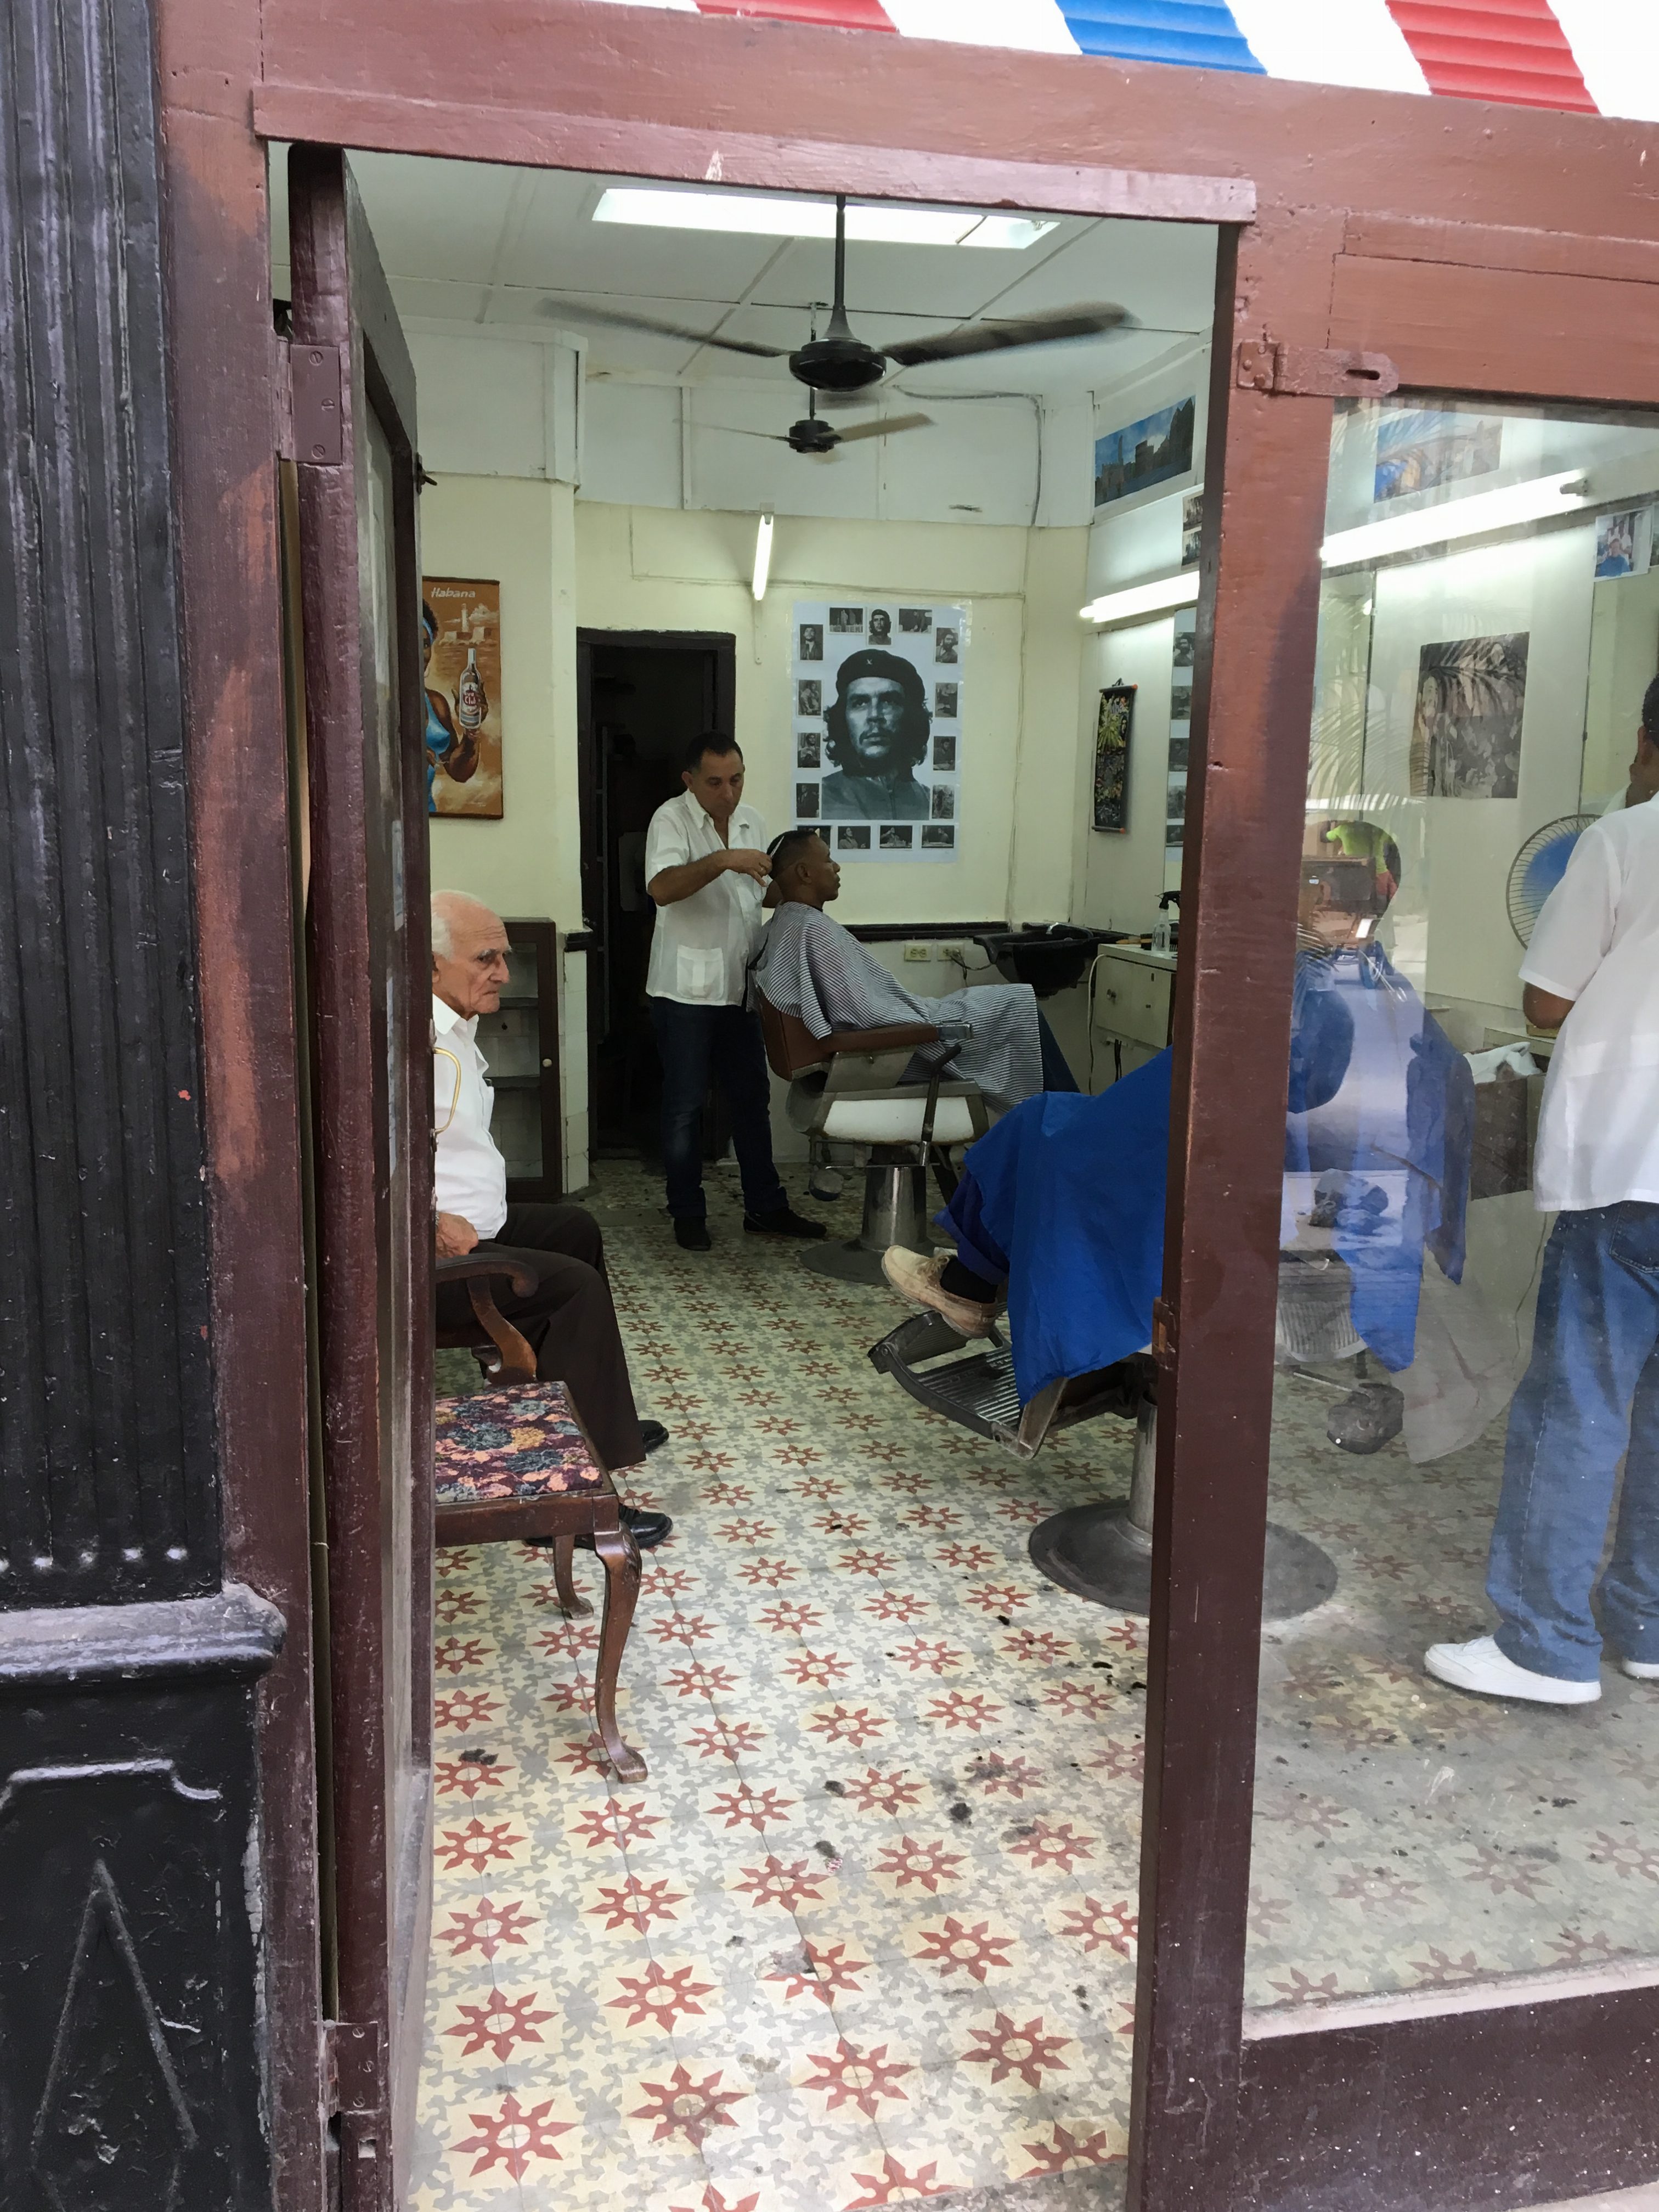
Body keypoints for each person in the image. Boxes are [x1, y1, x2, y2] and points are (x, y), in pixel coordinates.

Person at [883, 820, 1476, 1438]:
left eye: (1300, 877)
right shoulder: (1393, 997)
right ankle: (969, 1287)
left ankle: (967, 1287)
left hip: (1239, 1220)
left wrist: (1088, 1128)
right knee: (1059, 1125)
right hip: (1334, 1224)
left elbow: (1167, 1113)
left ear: (1325, 895)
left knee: (1040, 1127)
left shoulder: (1297, 997)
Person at [1427, 745, 1659, 1706]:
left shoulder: (1622, 838)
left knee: (1578, 1402)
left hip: (1630, 1168)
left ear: (1648, 744)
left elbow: (1544, 999)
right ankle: (1645, 1623)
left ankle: (1543, 1642)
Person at [431, 891, 672, 1546]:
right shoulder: (420, 1046)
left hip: (472, 1230)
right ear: (429, 967)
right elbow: (361, 1159)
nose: (503, 972)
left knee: (576, 1228)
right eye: (486, 957)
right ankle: (560, 1501)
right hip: (429, 1263)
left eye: (504, 956)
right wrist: (425, 1220)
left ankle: (587, 1421)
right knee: (574, 1290)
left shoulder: (450, 1025)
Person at [645, 735, 826, 1253]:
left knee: (752, 1101)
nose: (729, 793)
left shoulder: (752, 821)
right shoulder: (671, 820)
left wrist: (804, 881)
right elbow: (662, 888)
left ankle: (765, 1207)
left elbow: (760, 892)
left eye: (737, 779)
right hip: (684, 992)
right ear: (690, 781)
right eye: (716, 782)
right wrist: (723, 859)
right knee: (684, 1106)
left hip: (743, 987)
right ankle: (687, 1212)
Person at [757, 830, 1078, 1110]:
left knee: (1011, 1003)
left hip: (893, 1035)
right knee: (1019, 1008)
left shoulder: (787, 922)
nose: (837, 867)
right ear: (805, 873)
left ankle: (1062, 1124)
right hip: (893, 1052)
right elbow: (863, 1015)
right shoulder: (812, 930)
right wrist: (930, 1027)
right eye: (828, 860)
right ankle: (1072, 1127)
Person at [820, 650, 933, 821]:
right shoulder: (819, 799)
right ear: (843, 718)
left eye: (889, 701)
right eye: (860, 703)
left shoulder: (931, 803)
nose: (874, 715)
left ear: (910, 716)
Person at [422, 601, 478, 809]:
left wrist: (472, 731)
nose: (420, 653)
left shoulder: (436, 704)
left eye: (425, 644)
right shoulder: (380, 702)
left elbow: (458, 771)